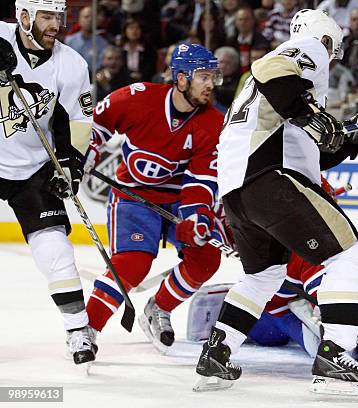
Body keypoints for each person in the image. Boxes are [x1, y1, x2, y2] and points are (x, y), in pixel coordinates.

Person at [194, 9, 358, 396]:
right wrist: (319, 118)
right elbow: (269, 67)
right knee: (345, 251)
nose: (334, 58)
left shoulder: (277, 99)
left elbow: (315, 150)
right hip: (269, 179)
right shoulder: (308, 48)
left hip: (240, 191)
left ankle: (217, 353)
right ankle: (335, 354)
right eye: (334, 50)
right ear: (326, 39)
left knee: (264, 275)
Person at [83, 43, 227, 354]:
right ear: (181, 78)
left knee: (206, 259)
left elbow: (201, 179)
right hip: (132, 197)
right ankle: (87, 329)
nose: (210, 84)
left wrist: (196, 216)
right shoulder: (138, 98)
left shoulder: (214, 123)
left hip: (177, 200)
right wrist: (89, 149)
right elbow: (96, 124)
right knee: (132, 264)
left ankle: (158, 309)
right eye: (203, 76)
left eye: (213, 76)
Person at [0, 0, 96, 365]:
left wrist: (72, 165)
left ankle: (77, 331)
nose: (55, 23)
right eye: (46, 16)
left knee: (56, 251)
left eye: (58, 15)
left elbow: (80, 120)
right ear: (23, 16)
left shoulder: (71, 63)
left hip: (34, 166)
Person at [64, 6, 109, 73]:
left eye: (92, 17)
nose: (90, 19)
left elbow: (101, 66)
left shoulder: (103, 43)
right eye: (86, 17)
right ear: (79, 20)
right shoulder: (69, 41)